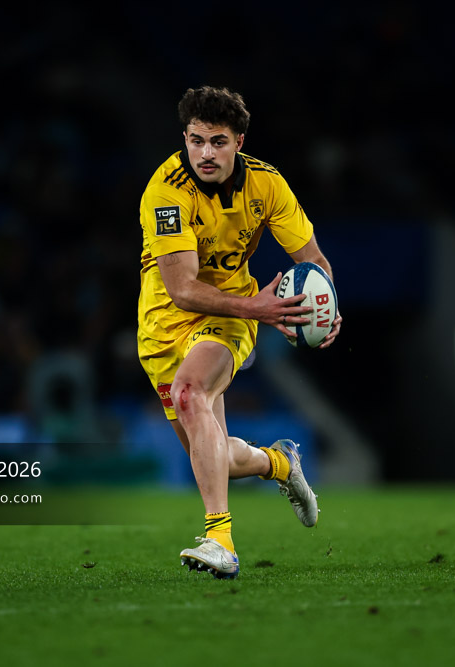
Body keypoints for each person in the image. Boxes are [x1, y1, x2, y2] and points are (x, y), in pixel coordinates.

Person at [137, 86, 342, 579]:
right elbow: (183, 289)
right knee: (217, 460)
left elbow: (312, 260)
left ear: (239, 142)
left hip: (229, 316)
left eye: (218, 141)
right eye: (196, 140)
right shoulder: (165, 192)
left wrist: (328, 307)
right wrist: (260, 306)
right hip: (164, 326)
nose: (205, 153)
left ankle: (220, 540)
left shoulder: (267, 186)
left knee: (190, 393)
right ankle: (279, 463)